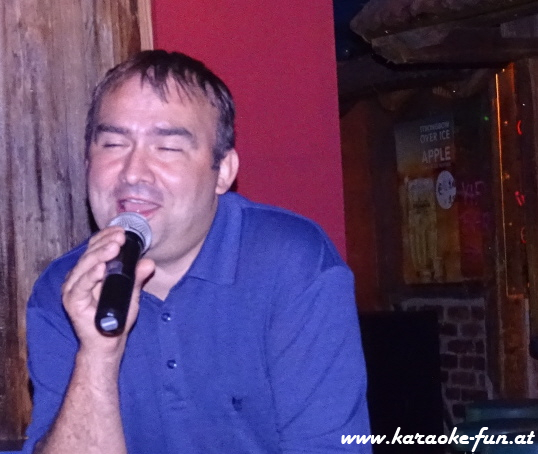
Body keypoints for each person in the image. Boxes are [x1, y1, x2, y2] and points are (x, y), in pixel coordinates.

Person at [22, 50, 371, 453]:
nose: (132, 172)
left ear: (223, 172)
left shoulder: (291, 263)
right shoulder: (64, 288)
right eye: (113, 144)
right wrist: (97, 354)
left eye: (168, 148)